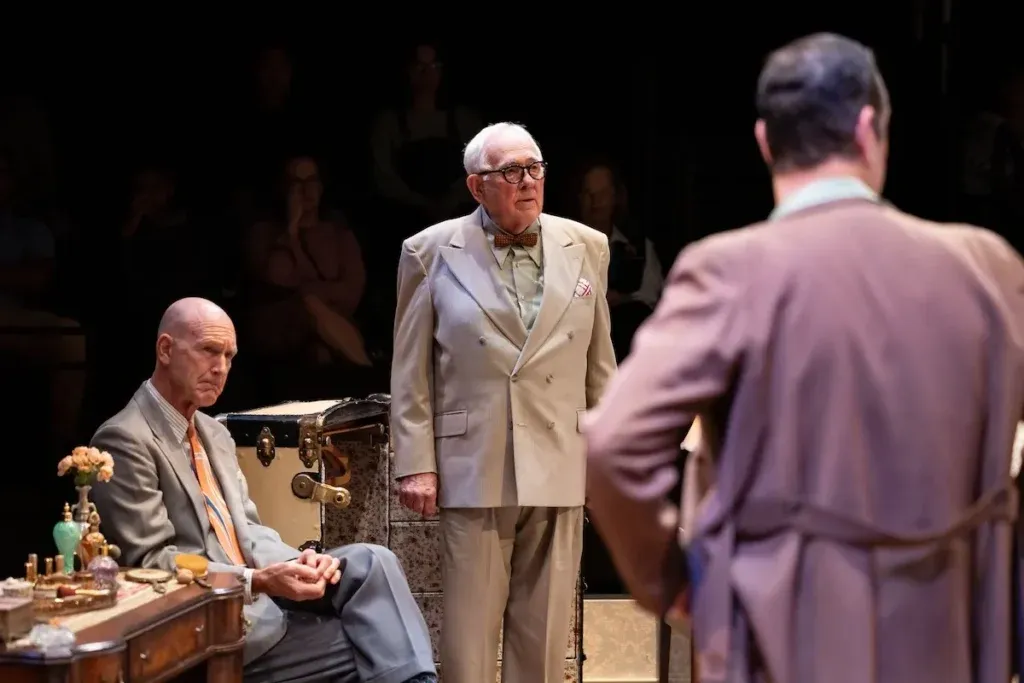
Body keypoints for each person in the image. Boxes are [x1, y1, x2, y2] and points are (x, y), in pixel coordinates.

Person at [583, 33, 1024, 683]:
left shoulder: (728, 271)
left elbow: (613, 443)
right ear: (871, 127)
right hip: (946, 630)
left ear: (765, 141)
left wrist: (675, 581)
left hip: (781, 630)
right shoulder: (988, 266)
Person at [90, 298, 436, 683]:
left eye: (229, 356)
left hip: (264, 602)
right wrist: (258, 581)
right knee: (375, 645)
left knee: (374, 560)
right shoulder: (125, 439)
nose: (220, 368)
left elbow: (249, 531)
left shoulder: (214, 432)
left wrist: (297, 562)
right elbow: (153, 565)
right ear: (166, 349)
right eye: (208, 351)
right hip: (213, 626)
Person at [390, 122, 617, 683]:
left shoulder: (587, 246)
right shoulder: (429, 251)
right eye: (510, 171)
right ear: (477, 186)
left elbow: (600, 364)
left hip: (561, 452)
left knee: (542, 636)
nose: (526, 181)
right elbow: (410, 369)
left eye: (534, 168)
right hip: (476, 457)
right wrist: (417, 461)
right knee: (470, 636)